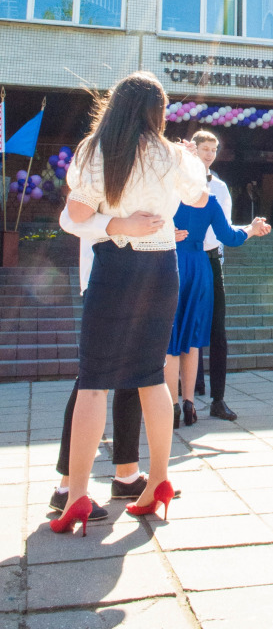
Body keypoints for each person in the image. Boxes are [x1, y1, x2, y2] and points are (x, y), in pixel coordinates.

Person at [51, 71, 208, 535]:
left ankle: (77, 494)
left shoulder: (97, 151)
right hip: (163, 270)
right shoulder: (173, 154)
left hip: (117, 268)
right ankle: (157, 479)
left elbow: (73, 217)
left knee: (94, 382)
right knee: (150, 378)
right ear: (157, 112)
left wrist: (118, 224)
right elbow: (198, 195)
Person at [53, 207, 167, 516]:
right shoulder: (103, 160)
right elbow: (70, 217)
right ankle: (67, 486)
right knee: (92, 381)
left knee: (136, 377)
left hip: (142, 276)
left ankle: (127, 473)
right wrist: (122, 225)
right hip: (102, 275)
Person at [167, 197, 271, 427]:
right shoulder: (209, 201)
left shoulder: (168, 195)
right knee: (192, 339)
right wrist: (251, 230)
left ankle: (171, 406)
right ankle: (189, 404)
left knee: (171, 340)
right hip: (199, 266)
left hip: (171, 263)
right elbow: (229, 237)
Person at [191, 131, 238, 420]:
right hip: (183, 259)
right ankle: (182, 396)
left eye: (214, 149)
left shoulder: (219, 187)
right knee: (183, 327)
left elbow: (226, 229)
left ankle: (218, 399)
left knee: (217, 332)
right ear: (193, 150)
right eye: (204, 148)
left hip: (210, 261)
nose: (209, 154)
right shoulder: (177, 184)